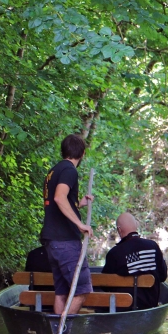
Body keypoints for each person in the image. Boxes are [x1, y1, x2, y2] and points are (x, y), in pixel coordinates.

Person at [40, 134, 94, 315]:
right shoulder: (70, 171)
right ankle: (62, 333)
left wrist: (78, 204)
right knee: (82, 290)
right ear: (83, 153)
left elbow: (56, 204)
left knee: (62, 292)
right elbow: (58, 198)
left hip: (52, 240)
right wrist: (80, 224)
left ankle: (58, 333)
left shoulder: (53, 172)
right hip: (65, 241)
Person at [102, 213, 168, 310]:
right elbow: (163, 276)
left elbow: (105, 284)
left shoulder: (114, 253)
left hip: (124, 307)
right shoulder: (153, 246)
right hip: (150, 305)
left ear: (119, 229)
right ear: (136, 226)